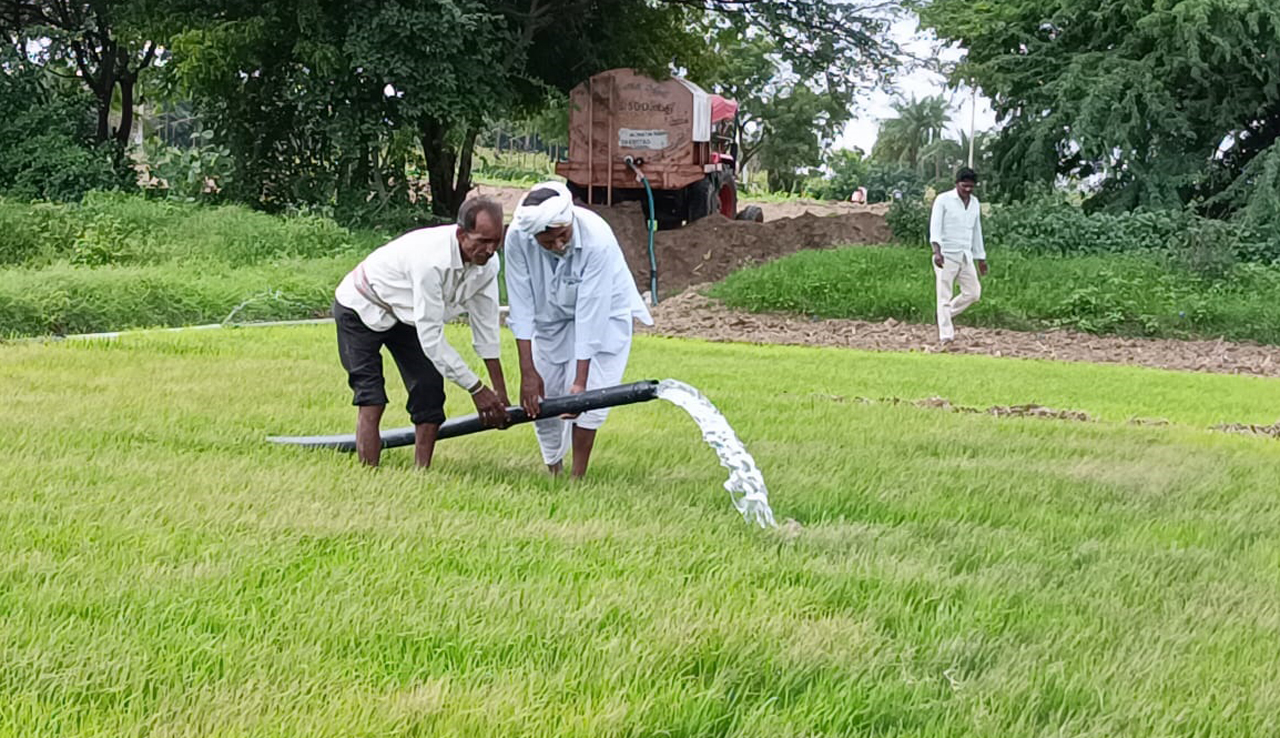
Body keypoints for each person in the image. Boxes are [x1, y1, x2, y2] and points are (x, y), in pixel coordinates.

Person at [332, 197, 510, 468]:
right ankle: (368, 474)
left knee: (428, 389)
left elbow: (486, 326)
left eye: (496, 241)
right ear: (462, 234)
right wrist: (476, 389)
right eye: (483, 241)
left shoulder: (488, 264)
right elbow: (432, 339)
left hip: (407, 314)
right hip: (361, 304)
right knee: (372, 397)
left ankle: (421, 473)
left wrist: (499, 392)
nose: (490, 249)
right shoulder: (431, 261)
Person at [503, 181, 653, 479]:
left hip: (605, 314)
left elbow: (591, 311)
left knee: (590, 394)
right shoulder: (517, 239)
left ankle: (577, 477)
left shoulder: (596, 238)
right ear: (533, 236)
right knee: (542, 396)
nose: (559, 245)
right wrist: (527, 371)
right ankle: (554, 470)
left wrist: (580, 382)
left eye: (563, 236)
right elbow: (519, 305)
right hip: (550, 317)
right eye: (548, 242)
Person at [930, 167, 987, 344]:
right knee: (944, 295)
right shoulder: (944, 200)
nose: (968, 190)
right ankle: (946, 335)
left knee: (973, 293)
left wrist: (981, 258)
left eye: (971, 186)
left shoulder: (975, 203)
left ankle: (943, 314)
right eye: (964, 186)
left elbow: (976, 231)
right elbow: (935, 227)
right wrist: (936, 251)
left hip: (965, 255)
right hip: (946, 254)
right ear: (956, 184)